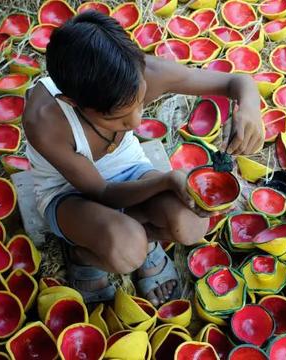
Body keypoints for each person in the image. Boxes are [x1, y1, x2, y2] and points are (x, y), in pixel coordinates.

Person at [23, 11, 264, 307]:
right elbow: (102, 193)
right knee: (127, 248)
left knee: (191, 225)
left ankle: (138, 236)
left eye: (140, 103)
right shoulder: (44, 121)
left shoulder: (144, 72)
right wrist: (166, 180)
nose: (137, 122)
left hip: (128, 168)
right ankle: (84, 255)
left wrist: (249, 106)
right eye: (120, 118)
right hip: (68, 194)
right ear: (73, 103)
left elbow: (236, 83)